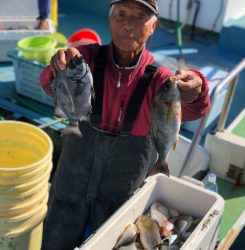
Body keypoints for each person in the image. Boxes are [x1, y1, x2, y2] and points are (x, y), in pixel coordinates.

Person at [40, 0, 210, 249]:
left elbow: (196, 109)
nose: (129, 24)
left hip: (118, 197)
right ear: (109, 21)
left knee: (110, 241)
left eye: (140, 17)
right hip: (70, 188)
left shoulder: (162, 79)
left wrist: (198, 89)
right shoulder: (86, 58)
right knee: (55, 238)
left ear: (153, 27)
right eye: (121, 14)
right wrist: (57, 67)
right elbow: (47, 85)